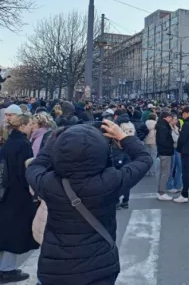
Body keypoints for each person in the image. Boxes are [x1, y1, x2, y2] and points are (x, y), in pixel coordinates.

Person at [26, 120, 152, 285]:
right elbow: (144, 159)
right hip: (99, 267)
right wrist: (123, 137)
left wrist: (54, 142)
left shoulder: (49, 183)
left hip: (55, 268)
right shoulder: (110, 181)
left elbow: (35, 166)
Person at [0, 114, 39, 283]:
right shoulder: (23, 144)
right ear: (22, 126)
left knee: (5, 230)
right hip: (19, 194)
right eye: (30, 123)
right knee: (14, 233)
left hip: (6, 192)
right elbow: (26, 170)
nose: (32, 126)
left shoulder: (8, 143)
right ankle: (7, 270)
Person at [155, 112, 175, 201]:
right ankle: (161, 192)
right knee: (165, 173)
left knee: (163, 173)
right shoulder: (163, 127)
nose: (171, 119)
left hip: (163, 151)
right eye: (170, 117)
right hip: (165, 152)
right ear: (166, 117)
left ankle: (160, 191)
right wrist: (171, 145)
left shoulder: (161, 126)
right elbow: (163, 140)